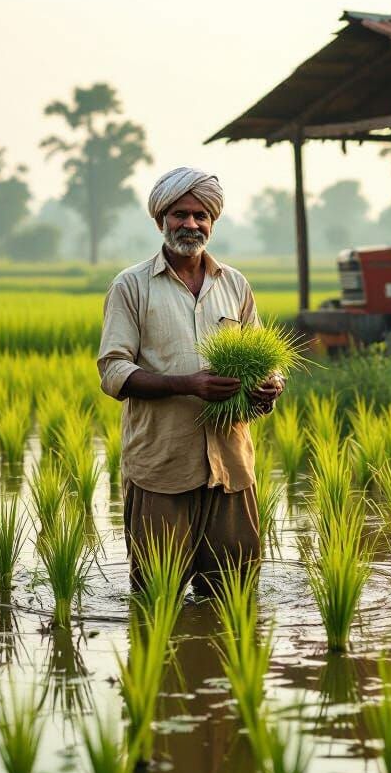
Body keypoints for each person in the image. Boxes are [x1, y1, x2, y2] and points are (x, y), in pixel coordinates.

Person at [97, 167, 284, 594]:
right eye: (180, 213)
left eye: (201, 215)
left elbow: (266, 359)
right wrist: (188, 384)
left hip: (231, 467)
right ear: (160, 219)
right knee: (156, 595)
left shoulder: (234, 284)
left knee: (234, 592)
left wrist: (271, 385)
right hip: (163, 467)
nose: (191, 224)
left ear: (212, 222)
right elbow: (113, 371)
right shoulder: (131, 286)